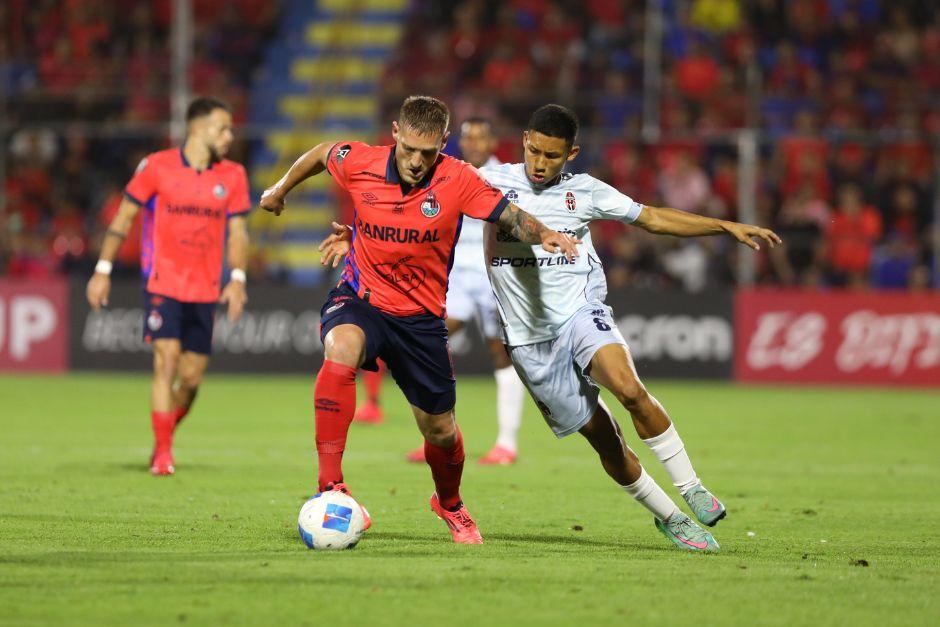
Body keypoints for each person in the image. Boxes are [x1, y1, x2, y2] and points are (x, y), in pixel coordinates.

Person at [321, 104, 780, 552]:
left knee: (630, 389)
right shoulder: (486, 180)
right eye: (535, 152)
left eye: (552, 156)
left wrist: (723, 226)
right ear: (523, 142)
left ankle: (692, 486)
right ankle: (671, 517)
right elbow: (405, 204)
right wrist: (358, 238)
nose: (540, 164)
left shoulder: (587, 191)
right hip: (527, 342)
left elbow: (653, 218)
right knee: (605, 439)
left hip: (580, 313)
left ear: (571, 154)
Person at [259, 96, 578, 544]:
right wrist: (279, 190)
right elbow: (319, 153)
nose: (415, 161)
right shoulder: (361, 160)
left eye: (427, 153)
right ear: (395, 134)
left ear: (443, 145)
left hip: (422, 319)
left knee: (441, 429)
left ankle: (449, 503)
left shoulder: (459, 178)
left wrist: (544, 233)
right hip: (362, 300)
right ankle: (330, 483)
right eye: (408, 148)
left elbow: (507, 215)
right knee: (341, 349)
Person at [86, 97, 250, 476]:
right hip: (163, 281)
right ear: (196, 128)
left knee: (191, 380)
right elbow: (124, 217)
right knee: (166, 362)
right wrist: (103, 269)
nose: (229, 136)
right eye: (222, 128)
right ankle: (163, 453)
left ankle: (165, 435)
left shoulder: (233, 175)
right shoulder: (157, 167)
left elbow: (239, 233)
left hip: (206, 288)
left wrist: (238, 279)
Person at [404, 117, 526, 466]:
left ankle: (506, 443)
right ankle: (438, 436)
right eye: (467, 138)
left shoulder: (504, 177)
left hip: (493, 276)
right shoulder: (443, 171)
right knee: (428, 346)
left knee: (501, 354)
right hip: (453, 277)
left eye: (480, 137)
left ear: (492, 142)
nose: (473, 143)